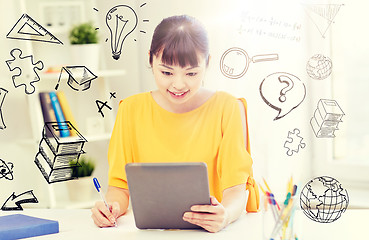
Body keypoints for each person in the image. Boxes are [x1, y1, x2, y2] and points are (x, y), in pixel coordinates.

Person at [91, 15, 259, 233]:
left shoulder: (227, 107)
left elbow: (236, 191)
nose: (178, 84)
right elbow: (119, 187)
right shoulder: (130, 110)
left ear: (207, 63)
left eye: (191, 73)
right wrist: (110, 207)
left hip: (211, 235)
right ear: (150, 60)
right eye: (166, 72)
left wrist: (224, 215)